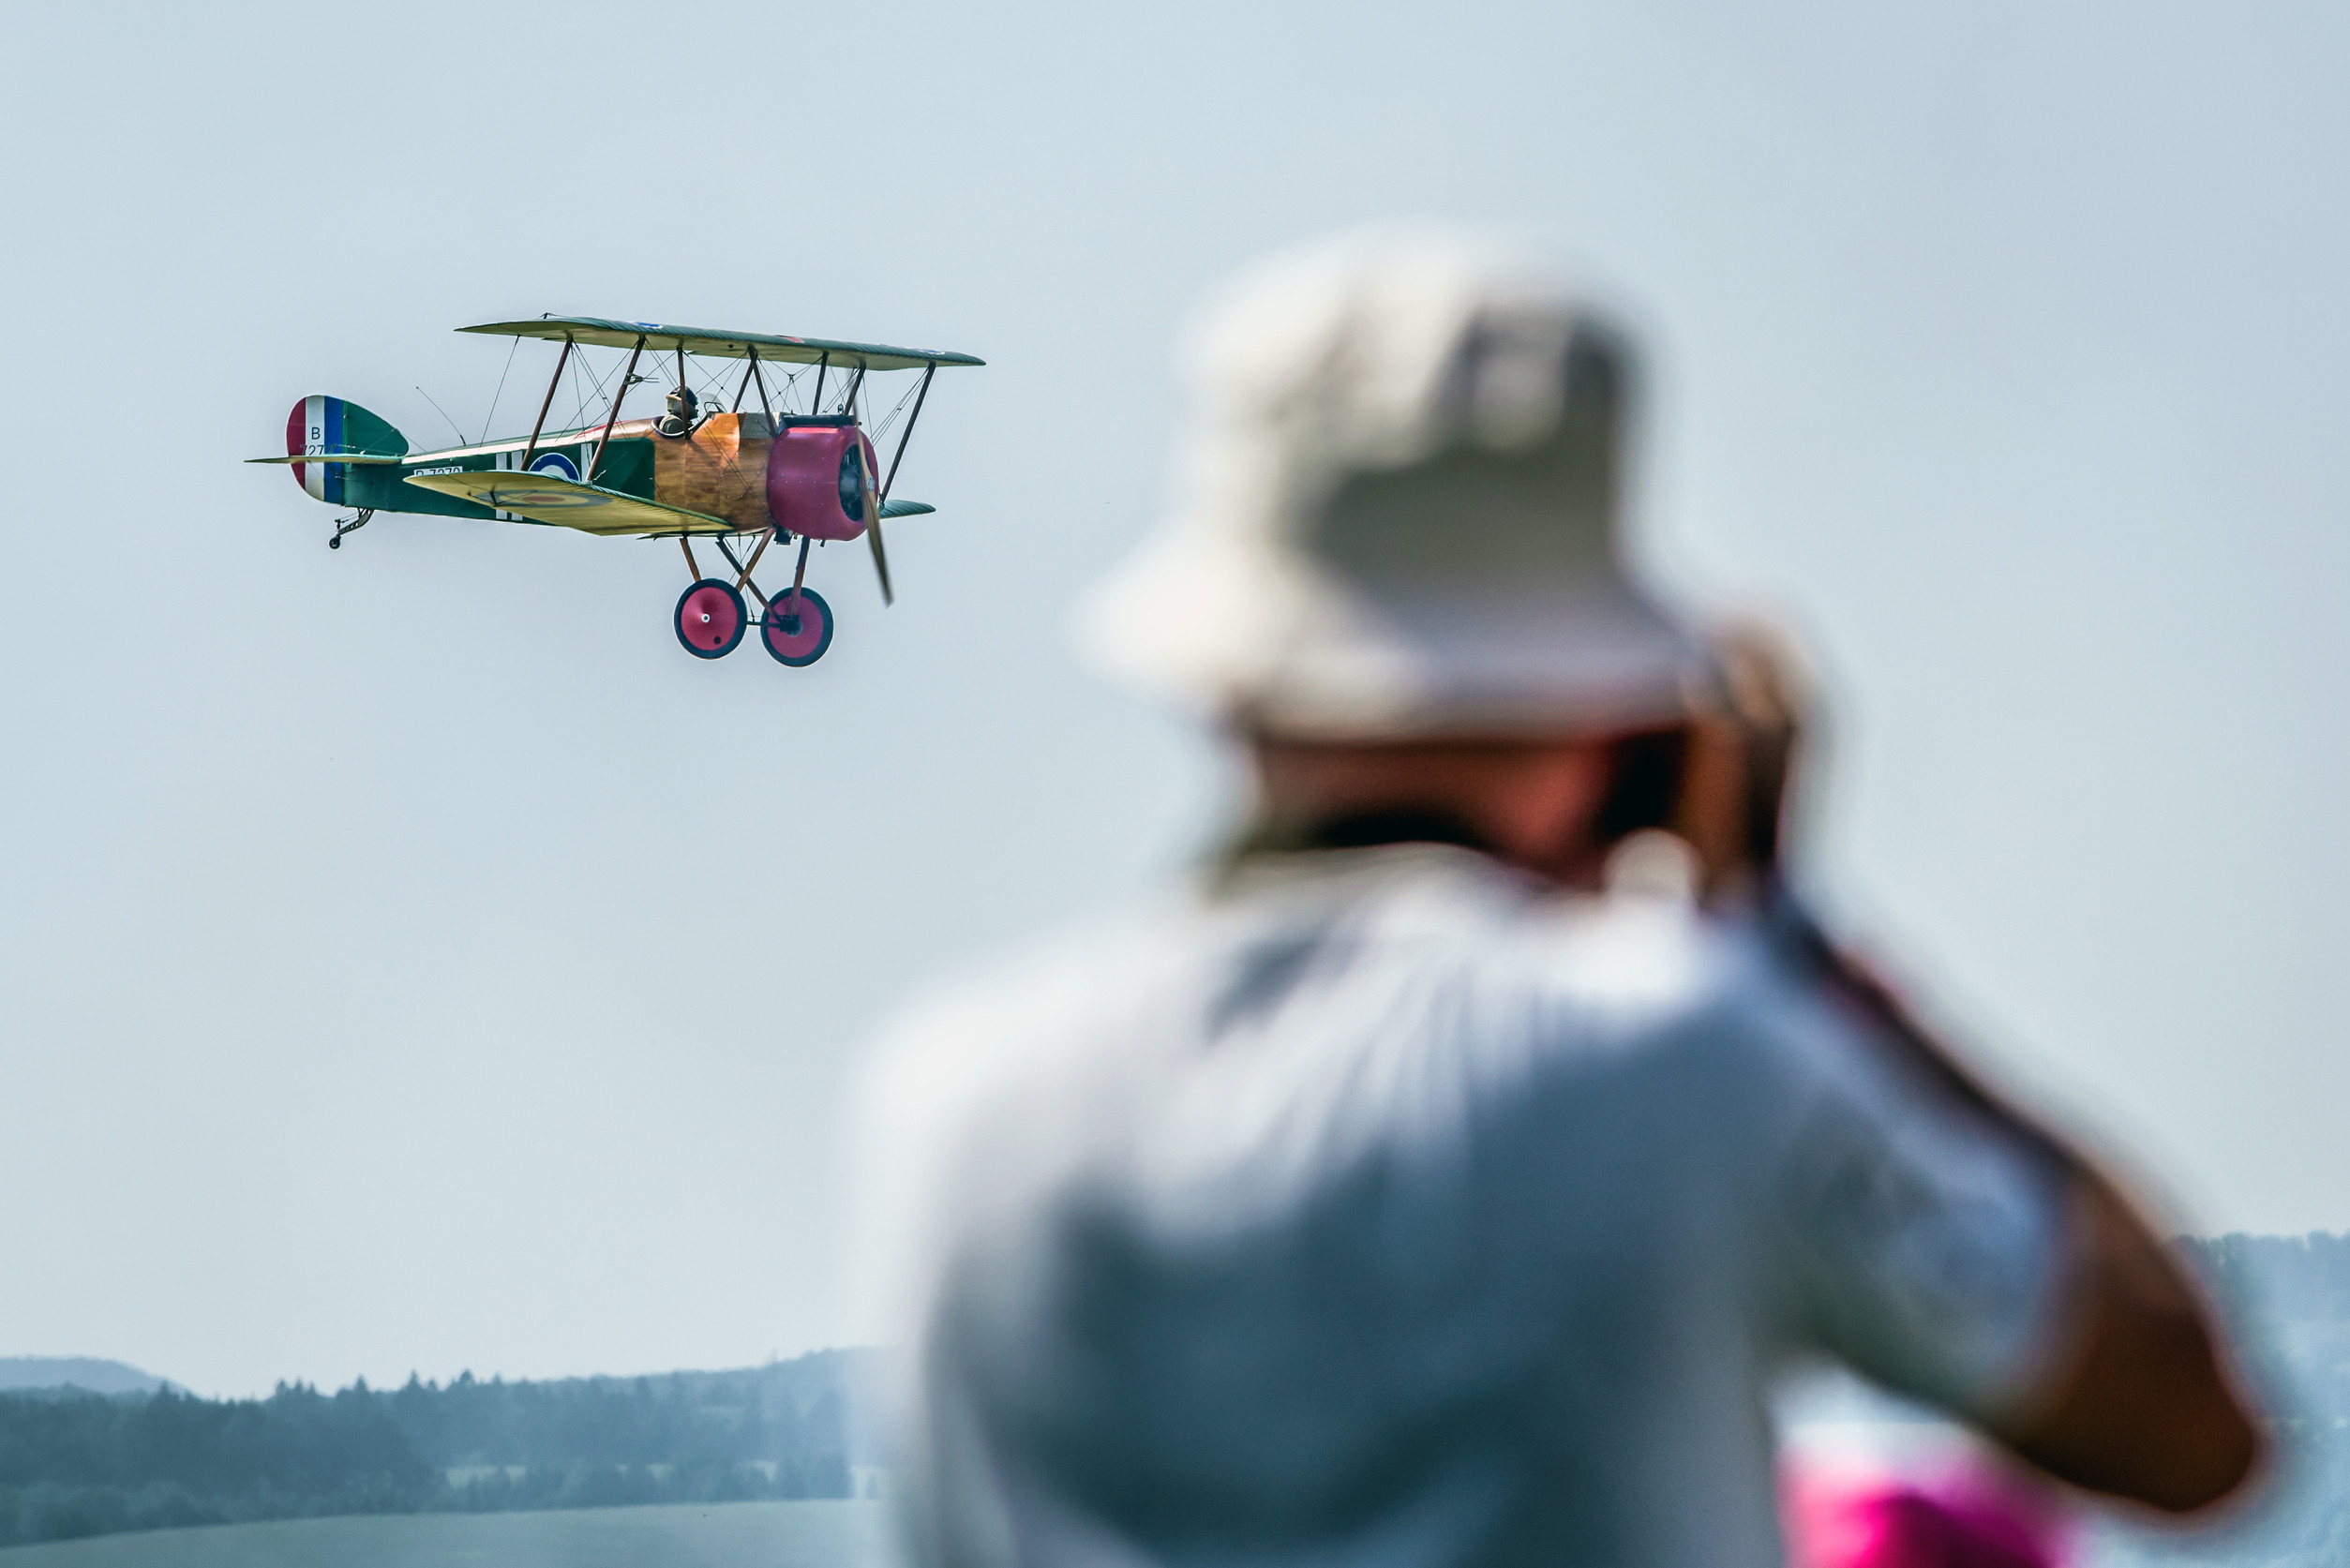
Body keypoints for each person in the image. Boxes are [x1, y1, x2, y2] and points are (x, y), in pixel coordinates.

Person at [849, 227, 2262, 1568]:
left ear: (1224, 670)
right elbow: (2180, 1425)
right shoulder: (1682, 1057)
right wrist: (1777, 934)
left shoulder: (950, 1098)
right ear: (1627, 712)